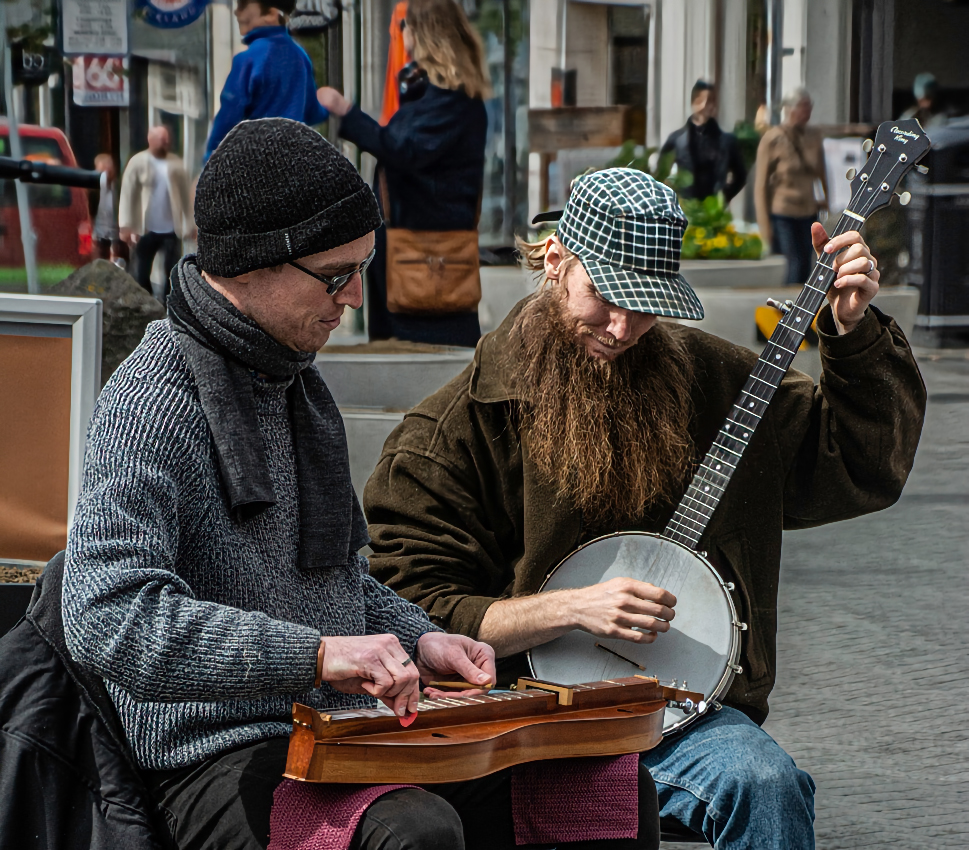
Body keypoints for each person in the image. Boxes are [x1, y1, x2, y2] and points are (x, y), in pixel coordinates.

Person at [61, 120, 660, 850]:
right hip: (212, 754)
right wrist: (318, 656)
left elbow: (337, 583)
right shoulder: (152, 402)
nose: (353, 295)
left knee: (602, 786)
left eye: (361, 268)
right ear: (254, 262)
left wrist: (422, 638)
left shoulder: (291, 382)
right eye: (334, 272)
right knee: (410, 833)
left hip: (338, 728)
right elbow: (106, 616)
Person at [363, 168, 926, 849]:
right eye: (603, 296)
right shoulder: (451, 431)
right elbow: (409, 611)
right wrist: (568, 609)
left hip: (677, 714)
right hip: (516, 718)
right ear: (555, 261)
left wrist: (851, 332)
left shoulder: (712, 380)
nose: (624, 327)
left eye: (647, 303)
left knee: (765, 784)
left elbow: (858, 465)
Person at [317, 0, 488, 347]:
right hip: (412, 246)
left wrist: (346, 111)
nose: (402, 34)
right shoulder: (433, 95)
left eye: (405, 27)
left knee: (425, 352)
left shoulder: (452, 99)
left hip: (427, 252)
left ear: (425, 32)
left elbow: (403, 149)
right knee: (399, 346)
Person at [204, 0, 329, 162]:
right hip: (293, 160)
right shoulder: (300, 56)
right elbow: (312, 113)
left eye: (242, 5)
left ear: (271, 14)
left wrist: (210, 159)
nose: (236, 12)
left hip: (256, 161)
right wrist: (328, 106)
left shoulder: (248, 59)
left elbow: (229, 115)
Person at [754, 87, 829, 284]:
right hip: (783, 212)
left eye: (809, 107)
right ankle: (789, 310)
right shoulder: (772, 138)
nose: (807, 112)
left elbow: (822, 173)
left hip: (808, 212)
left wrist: (827, 202)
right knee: (793, 264)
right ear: (789, 109)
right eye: (803, 107)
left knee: (808, 264)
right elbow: (760, 185)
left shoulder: (814, 136)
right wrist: (765, 227)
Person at [118, 125, 193, 300]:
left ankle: (168, 304)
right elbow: (128, 193)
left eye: (167, 139)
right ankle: (147, 301)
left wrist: (190, 224)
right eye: (162, 139)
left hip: (170, 229)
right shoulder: (137, 162)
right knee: (141, 270)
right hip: (145, 228)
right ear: (150, 140)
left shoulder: (176, 164)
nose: (166, 143)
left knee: (172, 270)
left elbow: (185, 197)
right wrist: (126, 225)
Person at [660, 80, 747, 203]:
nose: (705, 106)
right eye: (700, 101)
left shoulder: (727, 142)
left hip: (713, 210)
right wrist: (673, 197)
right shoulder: (677, 139)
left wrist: (724, 197)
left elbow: (740, 176)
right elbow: (660, 173)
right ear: (692, 103)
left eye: (710, 101)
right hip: (685, 207)